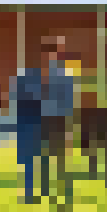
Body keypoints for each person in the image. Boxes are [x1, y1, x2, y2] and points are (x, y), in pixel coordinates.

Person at [11, 53, 48, 202]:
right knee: (36, 160)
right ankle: (35, 191)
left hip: (30, 125)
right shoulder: (36, 82)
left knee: (32, 162)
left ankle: (31, 191)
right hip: (33, 125)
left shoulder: (25, 81)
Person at [41, 49, 76, 197]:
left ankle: (62, 188)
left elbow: (69, 103)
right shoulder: (45, 77)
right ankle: (50, 188)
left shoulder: (64, 77)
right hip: (49, 120)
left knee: (59, 157)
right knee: (48, 157)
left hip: (58, 120)